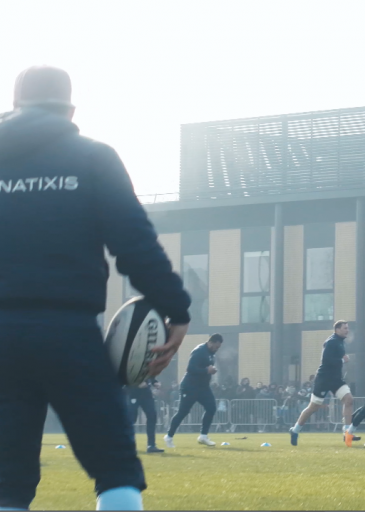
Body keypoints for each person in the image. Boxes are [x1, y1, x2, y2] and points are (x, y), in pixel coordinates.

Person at [0, 66, 191, 511]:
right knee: (114, 466)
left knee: (6, 477)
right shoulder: (92, 157)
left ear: (14, 104)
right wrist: (175, 310)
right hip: (68, 330)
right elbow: (135, 244)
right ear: (70, 109)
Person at [289, 321, 355, 446]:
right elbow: (326, 360)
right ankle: (295, 430)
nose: (347, 330)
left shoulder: (340, 342)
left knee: (349, 400)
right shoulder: (331, 342)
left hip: (336, 379)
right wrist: (342, 360)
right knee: (313, 407)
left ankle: (347, 432)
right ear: (337, 329)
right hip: (324, 379)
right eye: (345, 328)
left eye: (348, 328)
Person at [164, 334, 224, 447]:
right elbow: (190, 368)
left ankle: (203, 436)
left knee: (211, 408)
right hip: (190, 387)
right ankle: (169, 436)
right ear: (210, 342)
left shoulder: (212, 354)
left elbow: (207, 368)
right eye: (215, 347)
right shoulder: (199, 351)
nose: (216, 349)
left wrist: (211, 371)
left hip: (203, 387)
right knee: (183, 412)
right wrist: (207, 370)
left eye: (218, 348)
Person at [128, 379, 164, 453]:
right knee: (131, 419)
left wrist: (155, 382)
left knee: (152, 416)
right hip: (132, 393)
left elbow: (150, 375)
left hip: (146, 395)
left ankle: (151, 445)